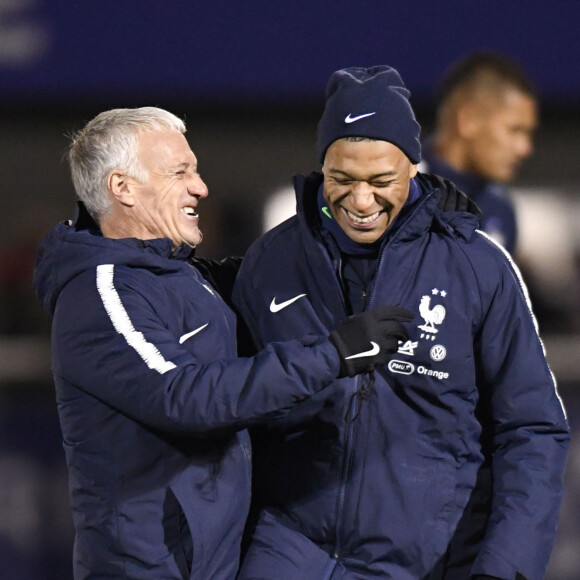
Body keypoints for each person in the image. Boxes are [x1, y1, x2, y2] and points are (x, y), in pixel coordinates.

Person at [32, 106, 415, 579]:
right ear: (122, 188)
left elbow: (279, 270)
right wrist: (333, 355)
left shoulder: (181, 274)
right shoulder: (101, 293)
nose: (201, 186)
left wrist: (409, 211)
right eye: (180, 172)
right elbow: (184, 396)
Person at [232, 66, 569, 580]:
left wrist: (506, 565)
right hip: (288, 550)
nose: (361, 201)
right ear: (321, 164)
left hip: (417, 562)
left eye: (381, 181)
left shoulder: (477, 267)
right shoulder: (270, 261)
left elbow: (532, 429)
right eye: (342, 178)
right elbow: (227, 404)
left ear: (414, 168)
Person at [420, 51, 538, 255]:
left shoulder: (500, 211)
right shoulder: (393, 193)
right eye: (514, 130)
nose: (525, 148)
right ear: (468, 120)